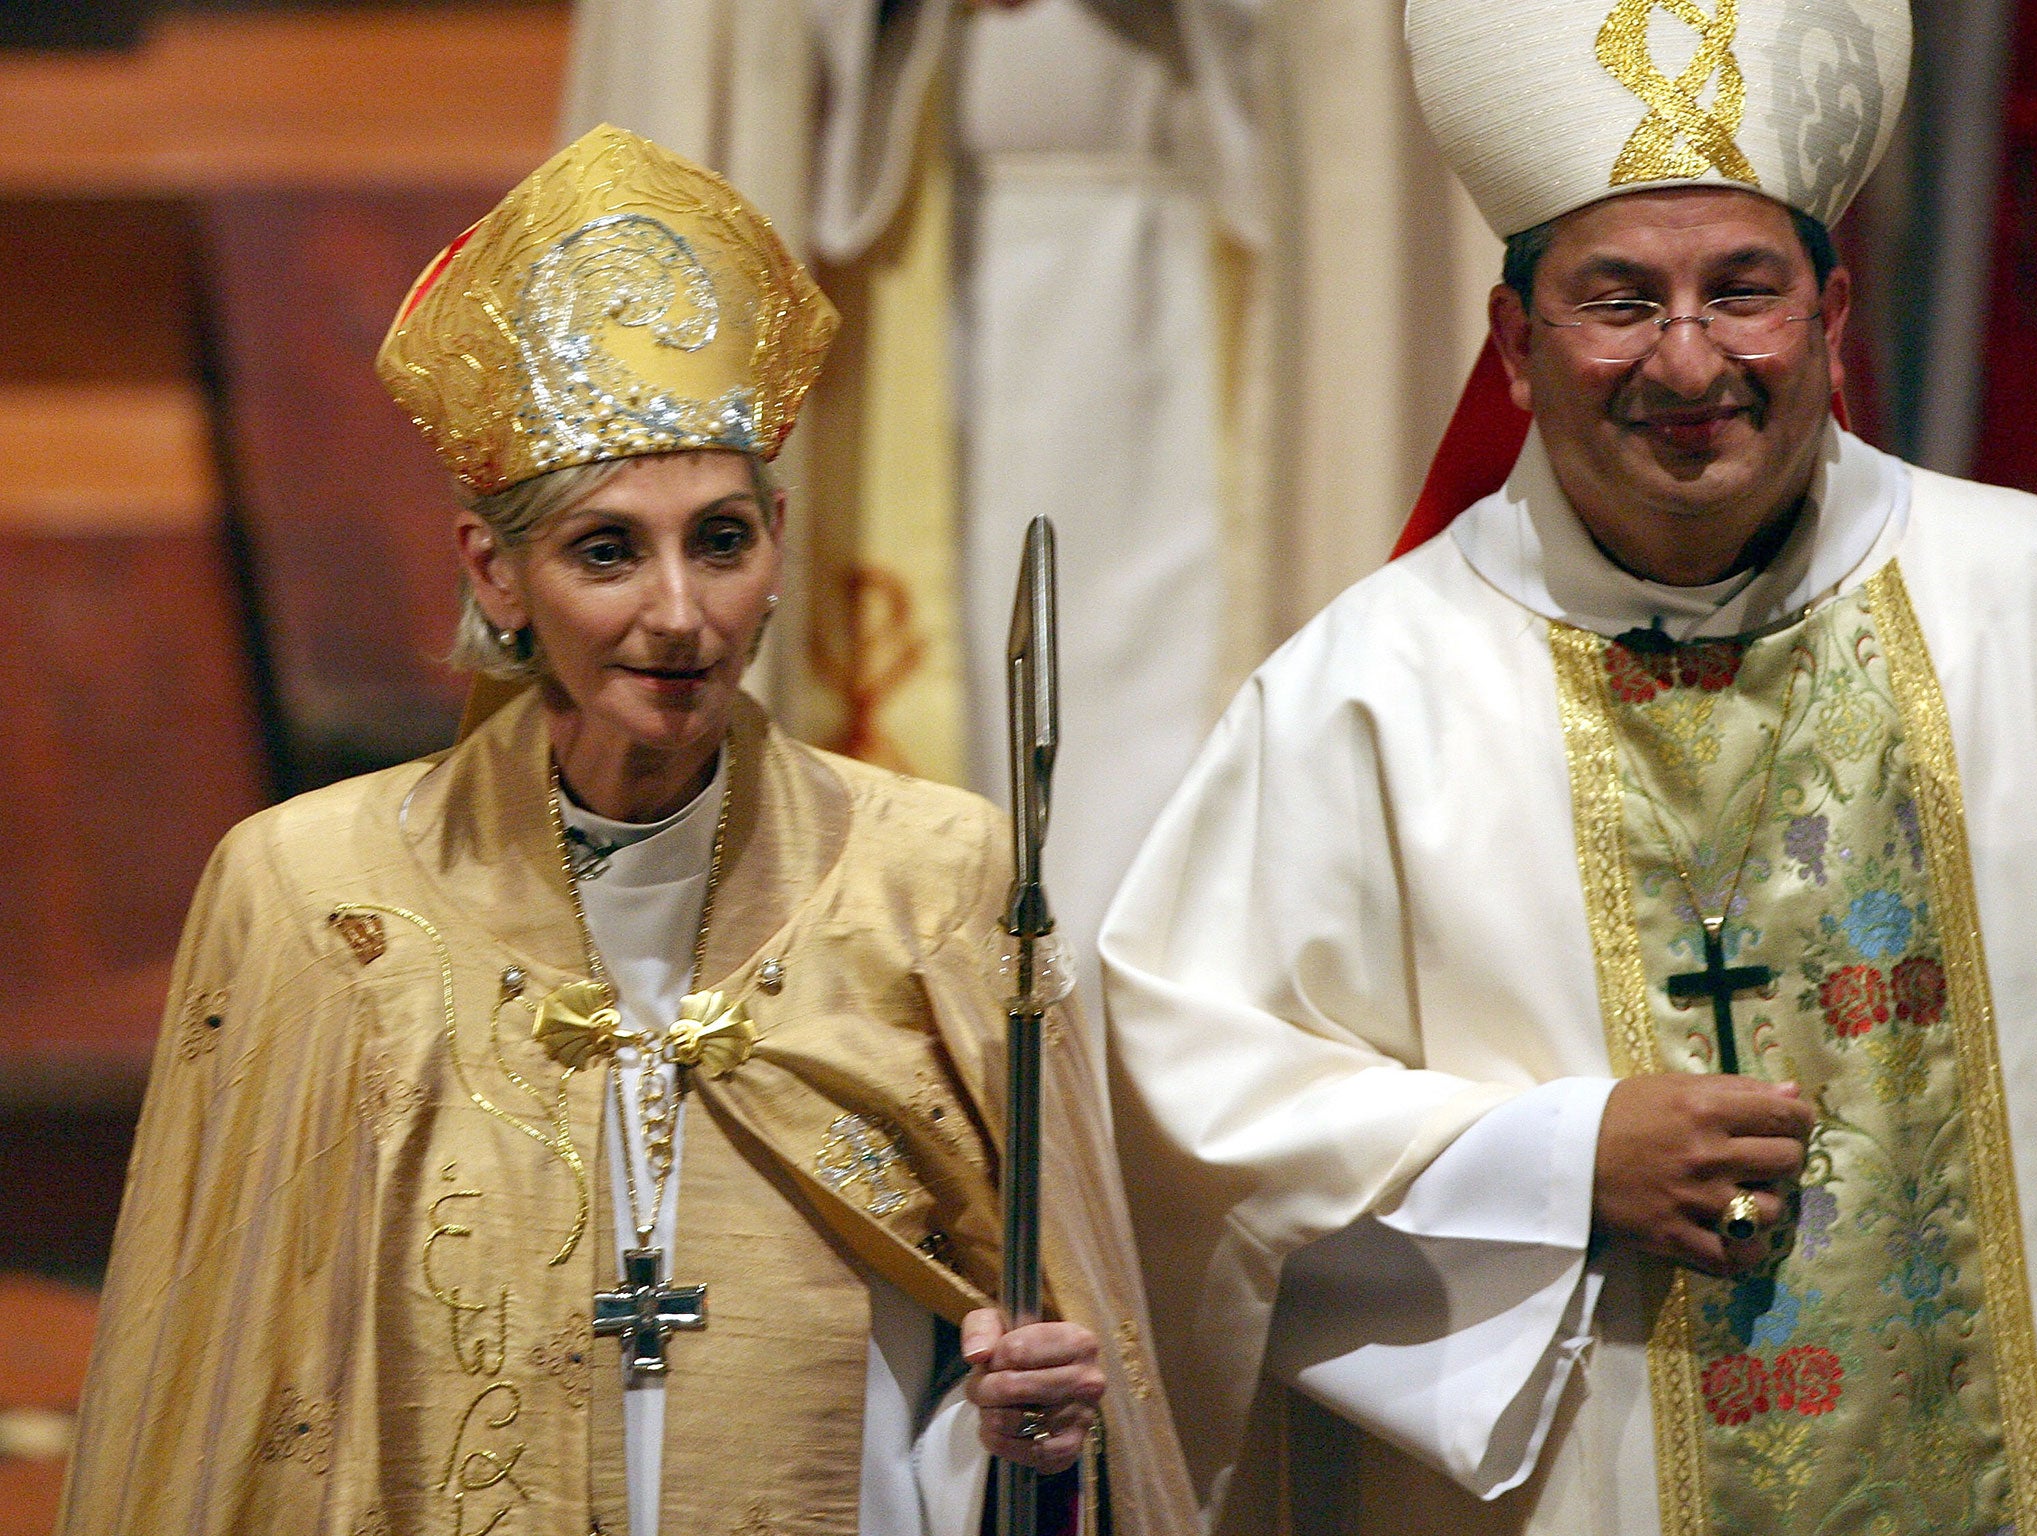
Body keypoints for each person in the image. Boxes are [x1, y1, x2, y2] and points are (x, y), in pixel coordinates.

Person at [56, 125, 1194, 1536]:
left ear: (777, 540)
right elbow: (224, 1393)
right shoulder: (312, 892)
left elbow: (1023, 1375)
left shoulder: (930, 875)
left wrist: (1036, 1431)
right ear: (498, 570)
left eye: (721, 541)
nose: (680, 612)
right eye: (608, 550)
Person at [1100, 1, 2037, 1532]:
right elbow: (1182, 1120)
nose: (1688, 360)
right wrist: (1554, 1163)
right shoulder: (1364, 701)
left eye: (1742, 289)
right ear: (1515, 343)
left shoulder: (2024, 606)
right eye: (1621, 299)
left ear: (1832, 310)